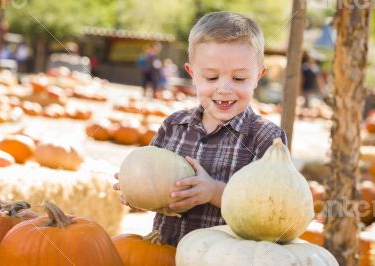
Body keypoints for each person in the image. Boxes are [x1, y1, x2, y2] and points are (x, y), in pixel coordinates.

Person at [113, 11, 287, 246]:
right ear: (193, 75)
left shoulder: (267, 139)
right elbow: (153, 187)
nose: (224, 89)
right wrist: (136, 191)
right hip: (165, 254)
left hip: (227, 259)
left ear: (258, 76)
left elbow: (271, 209)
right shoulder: (173, 126)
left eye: (239, 79)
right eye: (212, 77)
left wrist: (213, 192)